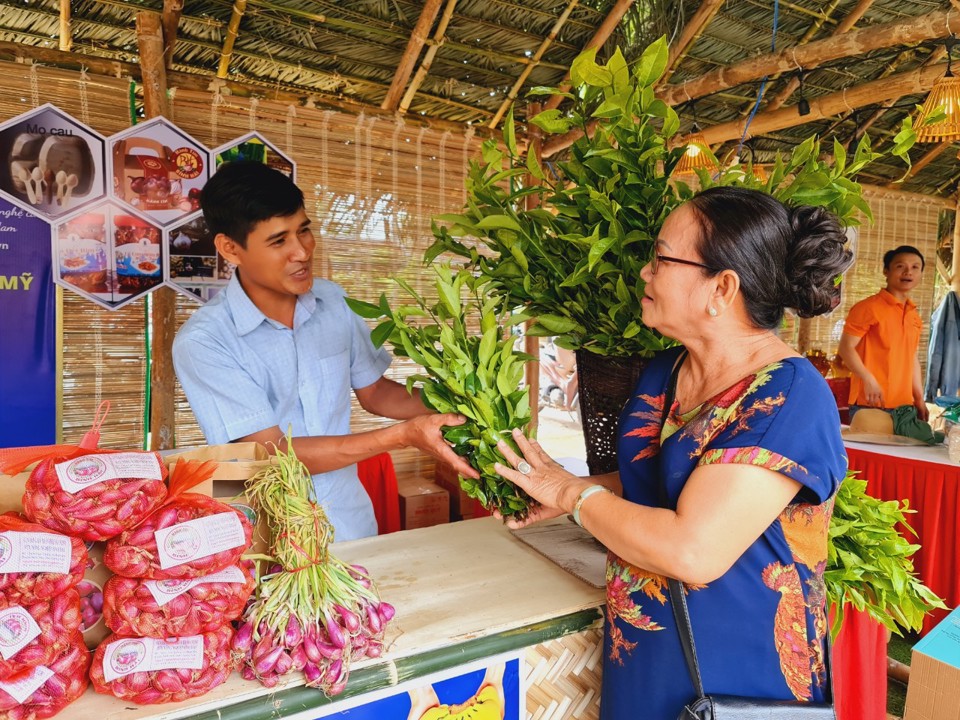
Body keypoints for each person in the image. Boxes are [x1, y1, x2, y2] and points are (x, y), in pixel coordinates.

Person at [493, 186, 851, 718]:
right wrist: (566, 492)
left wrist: (574, 493)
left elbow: (693, 551)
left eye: (661, 257)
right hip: (648, 654)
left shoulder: (787, 397)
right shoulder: (666, 371)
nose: (645, 272)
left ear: (722, 288)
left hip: (735, 675)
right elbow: (667, 481)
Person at [173, 161, 476, 541]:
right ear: (230, 249)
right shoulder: (204, 341)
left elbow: (376, 393)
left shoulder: (334, 302)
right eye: (279, 240)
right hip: (270, 531)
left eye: (304, 230)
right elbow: (271, 453)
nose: (302, 252)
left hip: (348, 516)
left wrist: (460, 401)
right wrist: (402, 436)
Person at [838, 245, 928, 421]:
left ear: (920, 274)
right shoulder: (868, 308)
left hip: (904, 407)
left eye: (915, 267)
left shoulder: (914, 316)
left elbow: (912, 358)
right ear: (886, 271)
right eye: (900, 266)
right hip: (870, 402)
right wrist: (868, 379)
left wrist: (919, 398)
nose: (908, 272)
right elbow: (846, 348)